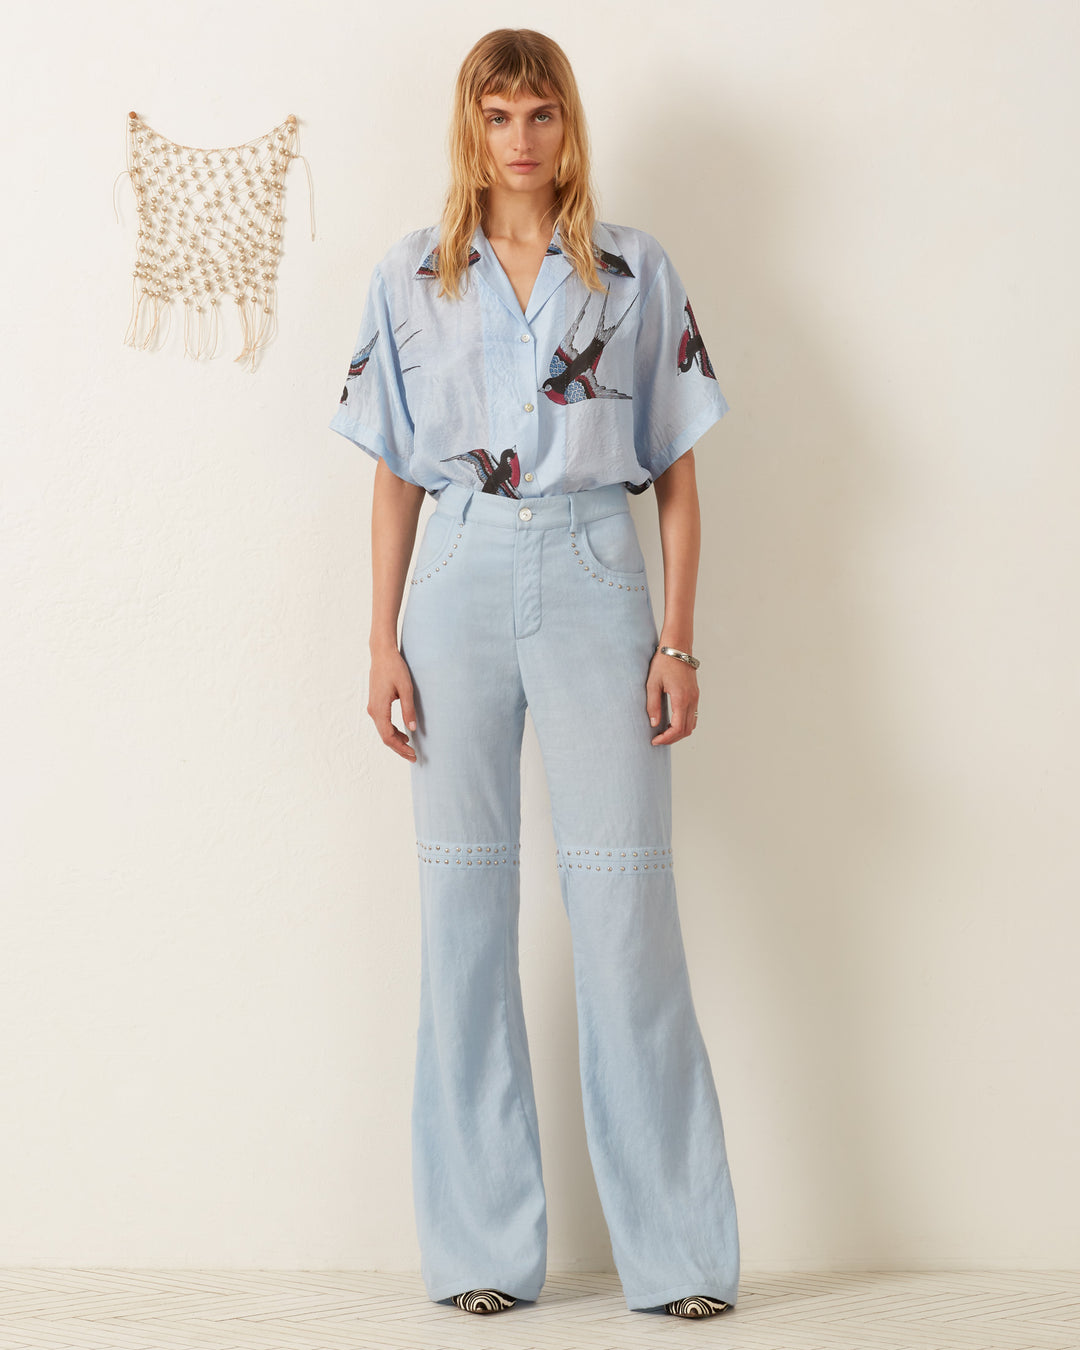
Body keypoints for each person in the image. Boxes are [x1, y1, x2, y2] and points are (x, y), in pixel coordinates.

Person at [329, 27, 739, 1321]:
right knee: (462, 916)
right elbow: (392, 470)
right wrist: (382, 636)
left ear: (569, 126)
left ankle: (676, 1257)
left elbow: (676, 472)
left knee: (625, 912)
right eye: (498, 113)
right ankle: (480, 1250)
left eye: (541, 112)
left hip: (591, 574)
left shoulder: (631, 271)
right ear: (471, 127)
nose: (520, 137)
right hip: (452, 579)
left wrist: (676, 638)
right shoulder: (413, 274)